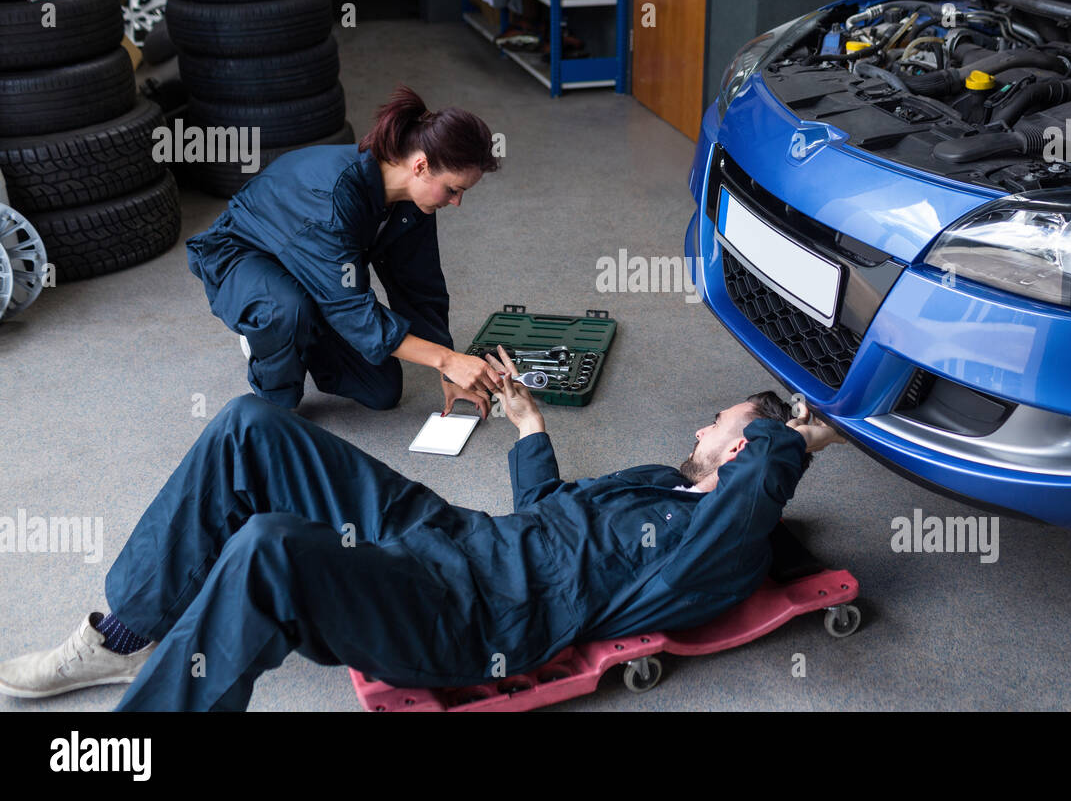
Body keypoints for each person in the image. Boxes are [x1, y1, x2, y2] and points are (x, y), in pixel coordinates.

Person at [0, 349, 845, 711]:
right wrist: (527, 423)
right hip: (455, 535)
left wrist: (798, 436)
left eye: (715, 427)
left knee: (269, 547)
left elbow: (745, 506)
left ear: (743, 447)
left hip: (470, 614)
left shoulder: (714, 556)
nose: (695, 432)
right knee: (249, 425)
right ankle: (123, 632)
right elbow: (547, 517)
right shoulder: (658, 483)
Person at [185, 83, 502, 418]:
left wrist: (446, 367)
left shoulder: (416, 201)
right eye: (453, 189)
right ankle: (271, 394)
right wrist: (449, 360)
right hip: (244, 254)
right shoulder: (333, 199)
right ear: (420, 166)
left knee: (381, 390)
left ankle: (294, 332)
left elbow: (421, 286)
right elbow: (350, 308)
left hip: (319, 274)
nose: (457, 202)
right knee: (285, 311)